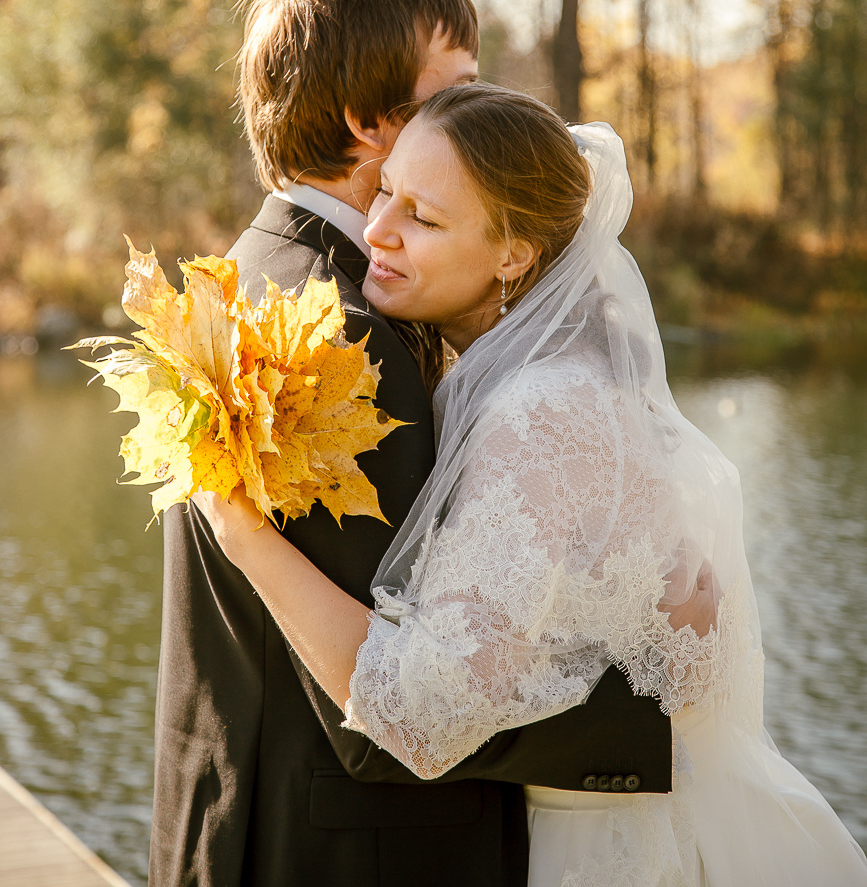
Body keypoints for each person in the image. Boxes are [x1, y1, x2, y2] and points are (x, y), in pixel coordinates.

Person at [197, 82, 867, 886]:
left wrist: (243, 536)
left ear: (513, 256)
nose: (376, 229)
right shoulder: (539, 371)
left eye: (423, 217)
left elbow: (421, 718)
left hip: (619, 850)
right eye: (384, 192)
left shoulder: (541, 410)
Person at [149, 0, 672, 887]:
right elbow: (386, 711)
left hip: (243, 815)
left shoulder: (249, 279)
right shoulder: (341, 337)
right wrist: (662, 710)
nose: (482, 104)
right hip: (349, 854)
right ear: (369, 123)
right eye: (457, 84)